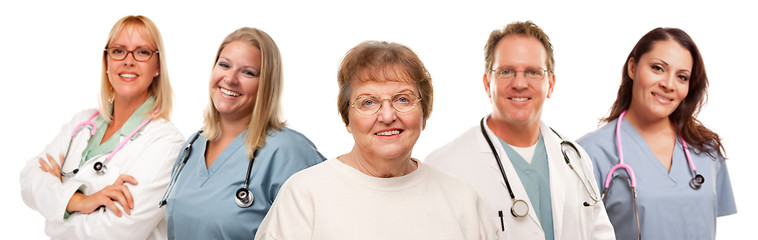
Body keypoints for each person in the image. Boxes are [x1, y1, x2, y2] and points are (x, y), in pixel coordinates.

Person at [255, 40, 497, 239]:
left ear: (424, 113)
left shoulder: (462, 199)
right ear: (347, 118)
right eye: (368, 102)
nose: (388, 115)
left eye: (403, 99)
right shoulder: (304, 196)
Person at [425, 21, 615, 239]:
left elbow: (601, 233)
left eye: (533, 72)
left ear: (550, 85)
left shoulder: (575, 157)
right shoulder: (444, 166)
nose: (520, 83)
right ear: (488, 84)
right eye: (506, 71)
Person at [19, 15, 184, 239]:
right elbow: (29, 178)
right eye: (118, 51)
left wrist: (54, 217)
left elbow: (117, 232)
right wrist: (80, 201)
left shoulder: (166, 142)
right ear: (107, 62)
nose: (128, 60)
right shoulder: (81, 123)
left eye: (142, 52)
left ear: (157, 66)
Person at [162, 27, 325, 239]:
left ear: (266, 84)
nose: (230, 79)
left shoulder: (288, 152)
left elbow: (332, 219)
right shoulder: (192, 146)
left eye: (248, 72)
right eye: (224, 65)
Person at [577, 27, 736, 240]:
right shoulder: (588, 153)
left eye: (682, 77)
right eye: (657, 68)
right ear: (632, 68)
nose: (668, 84)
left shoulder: (707, 150)